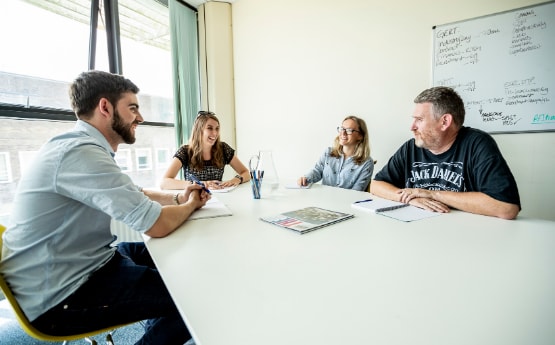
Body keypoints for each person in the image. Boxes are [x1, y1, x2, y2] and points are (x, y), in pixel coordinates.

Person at [0, 70, 209, 345]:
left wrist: (179, 198)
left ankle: (155, 322)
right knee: (193, 298)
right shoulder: (81, 153)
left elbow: (137, 193)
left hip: (86, 262)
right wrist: (192, 204)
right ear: (105, 107)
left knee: (171, 261)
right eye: (133, 107)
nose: (141, 117)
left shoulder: (81, 147)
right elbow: (157, 225)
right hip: (61, 295)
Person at [370, 86, 521, 220]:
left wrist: (432, 194)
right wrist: (409, 199)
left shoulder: (477, 144)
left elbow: (506, 208)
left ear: (445, 122)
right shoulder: (411, 147)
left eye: (419, 119)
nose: (412, 127)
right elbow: (376, 185)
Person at [160, 111, 250, 190]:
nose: (215, 133)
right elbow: (164, 182)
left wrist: (236, 179)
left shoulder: (223, 148)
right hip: (194, 200)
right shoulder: (185, 151)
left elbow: (246, 173)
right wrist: (198, 184)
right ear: (199, 130)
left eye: (217, 128)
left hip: (220, 198)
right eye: (210, 128)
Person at [298, 115, 374, 191]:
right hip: (323, 199)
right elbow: (317, 171)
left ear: (360, 136)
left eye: (349, 130)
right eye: (342, 129)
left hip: (346, 202)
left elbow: (357, 192)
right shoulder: (328, 152)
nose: (343, 133)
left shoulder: (367, 163)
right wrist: (305, 178)